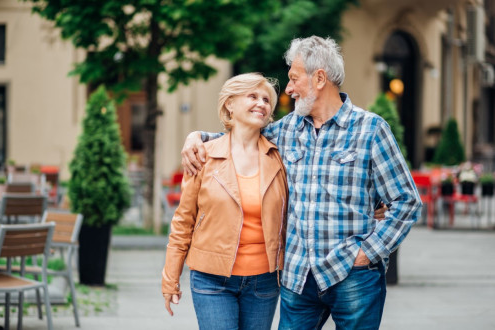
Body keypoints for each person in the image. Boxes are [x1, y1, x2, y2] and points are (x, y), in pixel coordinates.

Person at [181, 35, 422, 329]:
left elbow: (406, 202)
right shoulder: (285, 130)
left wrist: (368, 253)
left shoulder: (370, 129)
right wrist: (198, 138)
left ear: (319, 78)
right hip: (298, 278)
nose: (290, 88)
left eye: (294, 79)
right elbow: (238, 139)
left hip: (353, 276)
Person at [162, 73, 289, 330]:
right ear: (230, 104)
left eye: (266, 99)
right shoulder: (202, 156)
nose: (261, 103)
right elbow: (183, 220)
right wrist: (170, 278)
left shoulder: (279, 157)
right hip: (211, 279)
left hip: (264, 280)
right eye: (252, 96)